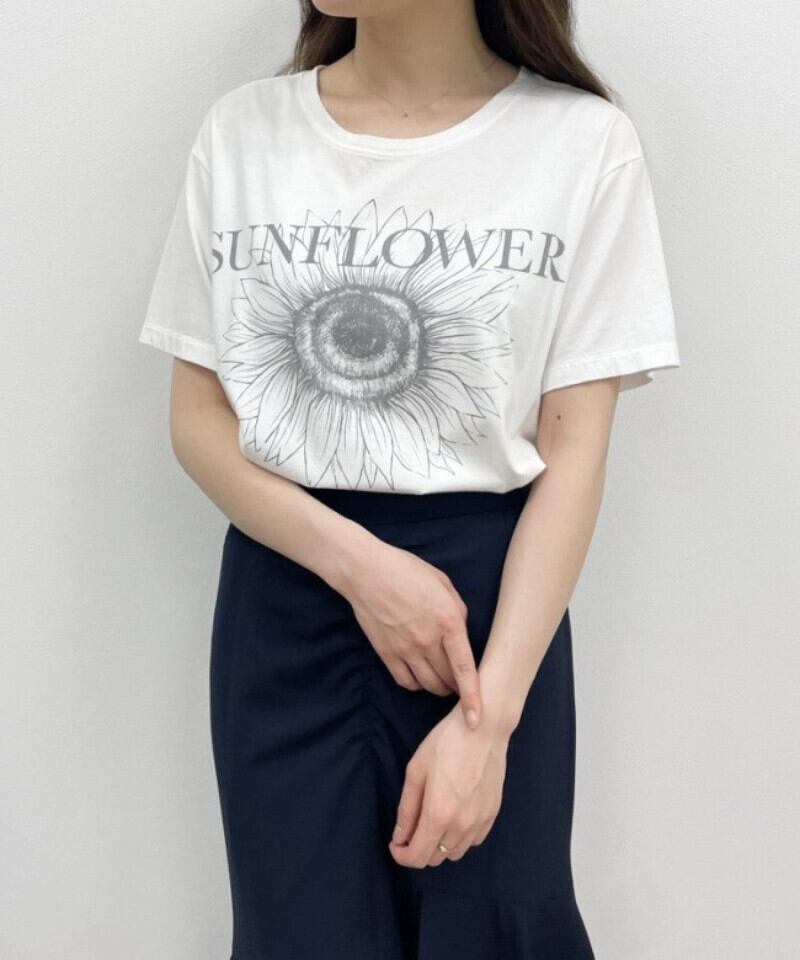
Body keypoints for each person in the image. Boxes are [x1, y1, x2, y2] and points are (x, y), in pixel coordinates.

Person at [137, 1, 680, 956]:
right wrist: (360, 569)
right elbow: (199, 421)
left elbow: (576, 456)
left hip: (488, 619)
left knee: (495, 928)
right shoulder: (245, 131)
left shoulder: (582, 144)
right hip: (288, 597)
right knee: (298, 936)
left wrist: (488, 720)